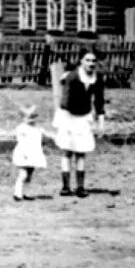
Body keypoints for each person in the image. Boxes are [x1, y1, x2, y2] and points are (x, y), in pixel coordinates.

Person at [54, 48, 106, 198]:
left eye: (94, 61)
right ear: (81, 61)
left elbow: (99, 101)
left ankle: (81, 187)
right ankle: (65, 187)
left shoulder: (98, 78)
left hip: (84, 117)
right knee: (68, 151)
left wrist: (100, 123)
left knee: (81, 152)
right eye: (87, 60)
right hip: (69, 116)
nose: (91, 64)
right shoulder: (73, 77)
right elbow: (65, 101)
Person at [12, 104, 47, 201]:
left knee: (30, 174)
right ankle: (17, 193)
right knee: (23, 174)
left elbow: (43, 135)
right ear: (23, 118)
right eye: (29, 118)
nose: (32, 121)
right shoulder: (22, 128)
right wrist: (24, 153)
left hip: (33, 154)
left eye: (34, 118)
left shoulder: (37, 128)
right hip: (24, 154)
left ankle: (26, 193)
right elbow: (21, 141)